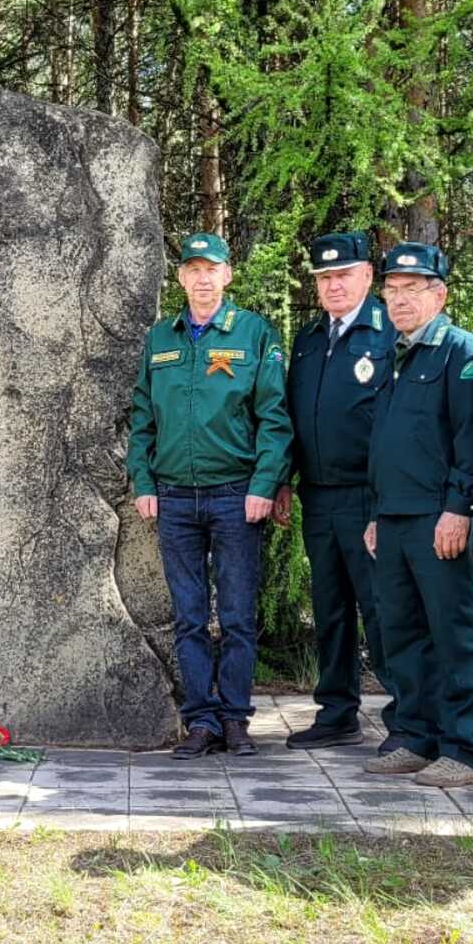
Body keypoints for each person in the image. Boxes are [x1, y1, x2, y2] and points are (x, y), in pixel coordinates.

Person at [127, 230, 293, 759]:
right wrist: (144, 482)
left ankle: (236, 718)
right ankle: (201, 720)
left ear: (227, 275)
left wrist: (264, 485)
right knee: (189, 616)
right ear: (181, 278)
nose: (203, 279)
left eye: (212, 269)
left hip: (235, 495)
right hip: (175, 499)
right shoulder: (161, 338)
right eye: (193, 270)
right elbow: (141, 418)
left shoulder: (253, 332)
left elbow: (274, 418)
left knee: (239, 615)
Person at [363, 242, 473, 787]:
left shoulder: (460, 351)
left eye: (411, 290)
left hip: (441, 519)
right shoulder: (394, 355)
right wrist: (377, 512)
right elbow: (387, 443)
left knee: (455, 632)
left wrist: (459, 508)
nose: (399, 300)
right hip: (395, 517)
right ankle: (415, 736)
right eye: (391, 291)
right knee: (403, 634)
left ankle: (463, 748)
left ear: (439, 296)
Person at [273, 231, 400, 752]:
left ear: (367, 276)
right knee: (330, 608)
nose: (333, 285)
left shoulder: (388, 332)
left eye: (343, 274)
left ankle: (407, 718)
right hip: (319, 496)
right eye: (324, 277)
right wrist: (284, 479)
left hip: (370, 496)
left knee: (381, 607)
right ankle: (337, 712)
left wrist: (386, 499)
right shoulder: (307, 340)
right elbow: (294, 415)